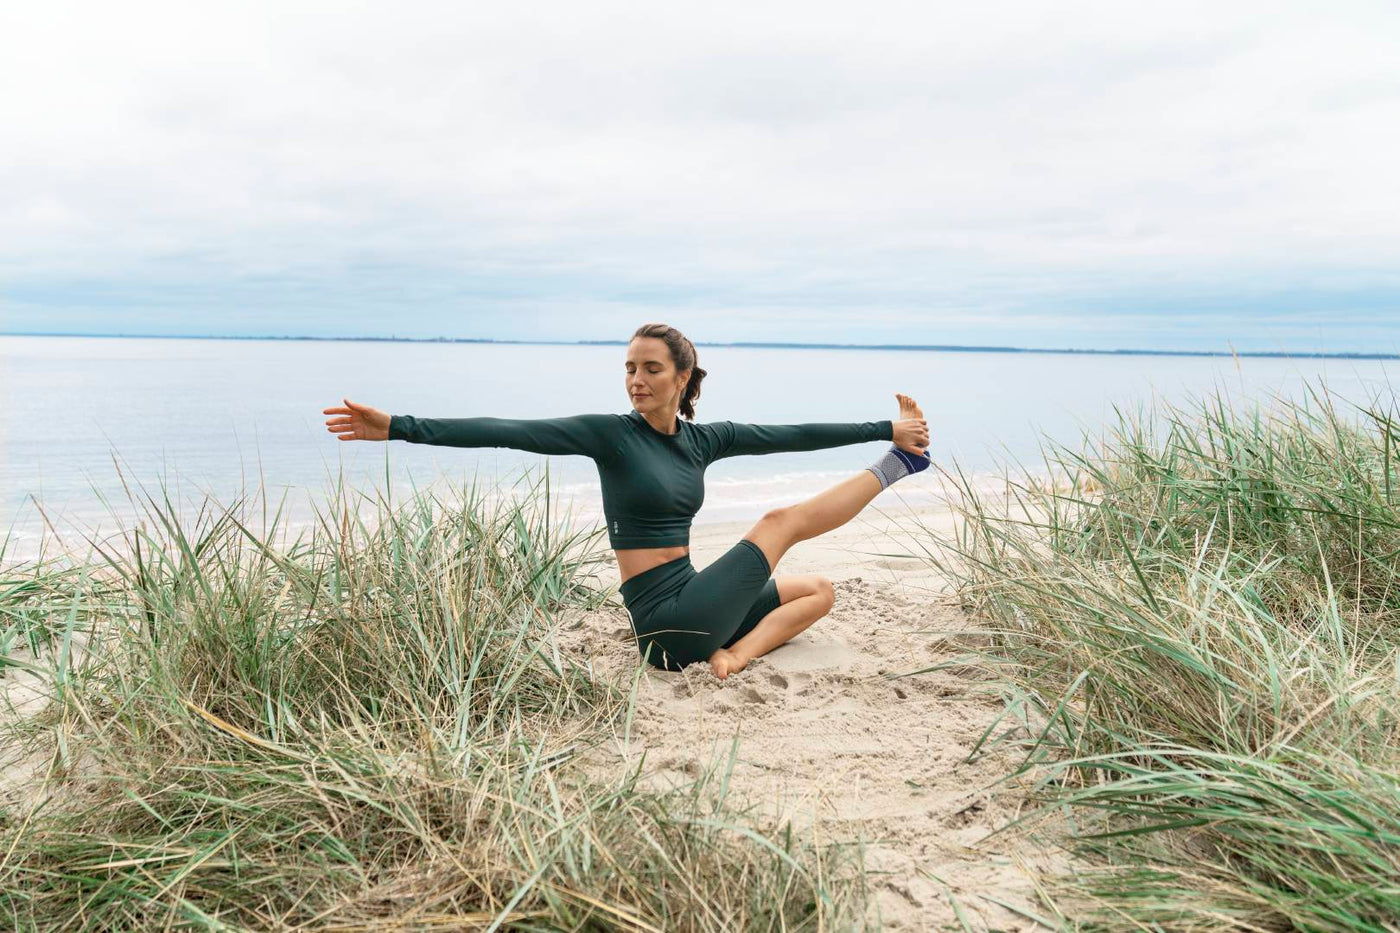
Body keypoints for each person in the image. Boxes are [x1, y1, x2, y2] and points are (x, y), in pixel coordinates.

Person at [322, 322, 930, 679]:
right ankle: (900, 465)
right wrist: (398, 425)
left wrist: (880, 423)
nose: (636, 379)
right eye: (629, 368)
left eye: (651, 369)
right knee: (779, 523)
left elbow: (790, 436)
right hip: (663, 623)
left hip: (697, 606)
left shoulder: (704, 440)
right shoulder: (610, 434)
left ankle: (735, 656)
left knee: (818, 590)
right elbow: (506, 429)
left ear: (682, 379)